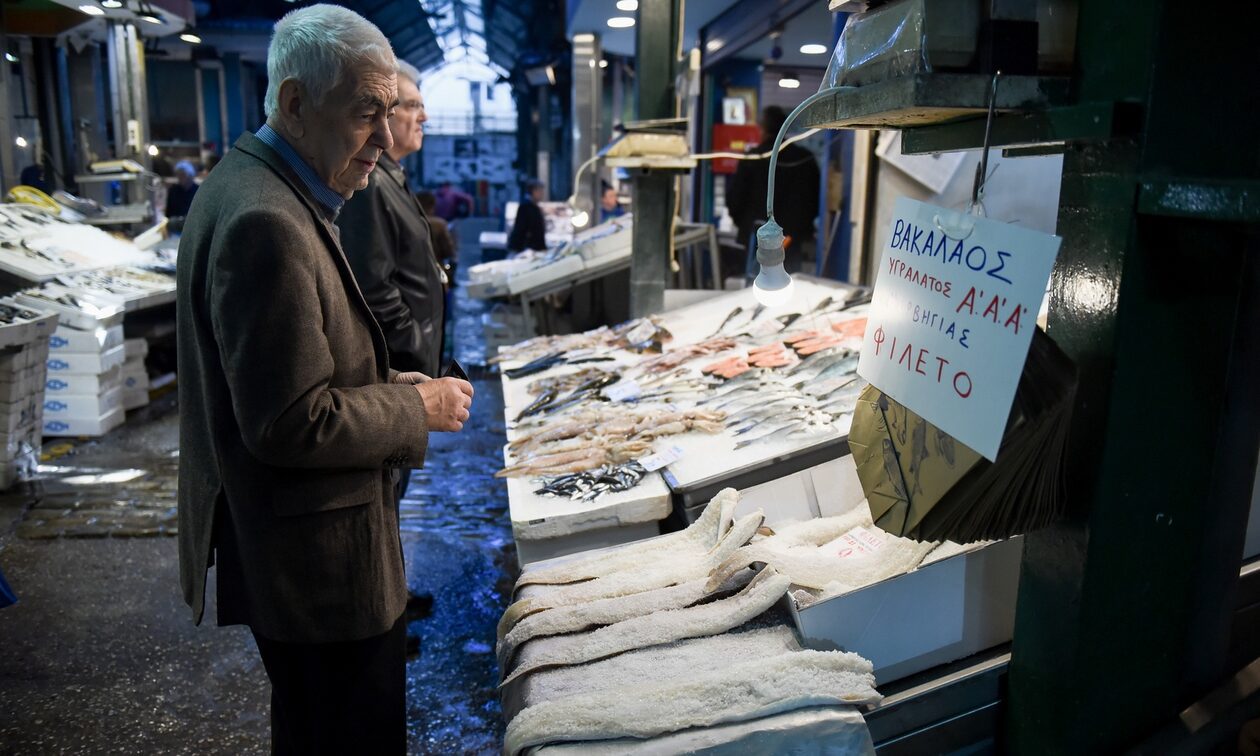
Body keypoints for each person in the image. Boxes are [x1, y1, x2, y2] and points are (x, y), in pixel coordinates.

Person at [175, 6, 475, 754]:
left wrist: (386, 383)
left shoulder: (270, 185)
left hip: (306, 549)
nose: (382, 138)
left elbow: (302, 357)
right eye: (364, 114)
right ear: (295, 104)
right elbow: (287, 421)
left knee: (313, 727)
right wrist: (419, 409)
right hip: (317, 563)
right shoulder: (265, 220)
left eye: (389, 112)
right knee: (344, 732)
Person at [727, 105, 821, 274]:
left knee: (754, 286)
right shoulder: (804, 159)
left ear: (761, 129)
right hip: (790, 242)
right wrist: (796, 232)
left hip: (756, 240)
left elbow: (735, 200)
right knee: (788, 286)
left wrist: (747, 226)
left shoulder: (752, 158)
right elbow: (814, 202)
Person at [417, 190, 457, 284]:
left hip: (411, 273)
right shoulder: (439, 224)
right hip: (435, 271)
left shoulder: (407, 222)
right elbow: (448, 251)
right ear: (432, 205)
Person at [508, 178, 547, 253]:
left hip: (532, 249)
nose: (542, 194)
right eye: (540, 191)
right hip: (527, 250)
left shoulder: (533, 207)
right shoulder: (527, 207)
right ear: (534, 191)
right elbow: (522, 229)